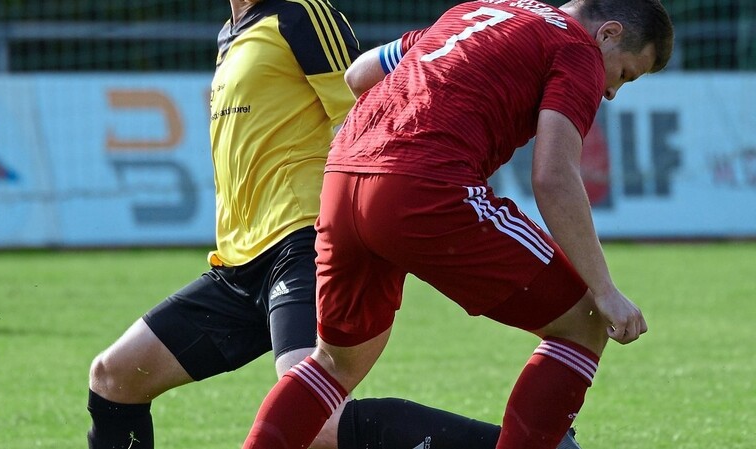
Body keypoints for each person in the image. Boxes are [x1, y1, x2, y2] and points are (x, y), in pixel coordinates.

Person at [87, 1, 582, 449]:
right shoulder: (232, 32)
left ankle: (525, 444)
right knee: (114, 378)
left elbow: (375, 110)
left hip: (301, 245)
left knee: (323, 423)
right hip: (239, 265)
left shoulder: (302, 15)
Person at [240, 0, 675, 449]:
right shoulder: (576, 47)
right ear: (608, 34)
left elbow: (360, 74)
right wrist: (605, 291)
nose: (611, 93)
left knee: (334, 365)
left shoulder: (474, 11)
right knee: (582, 322)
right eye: (624, 74)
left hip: (342, 180)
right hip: (425, 185)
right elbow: (553, 175)